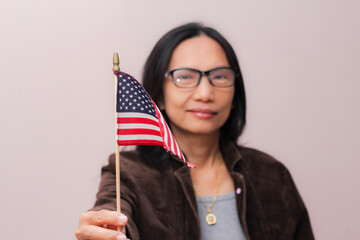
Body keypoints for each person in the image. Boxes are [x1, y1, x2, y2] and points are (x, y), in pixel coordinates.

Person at [75, 22, 314, 240]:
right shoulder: (128, 172)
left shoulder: (272, 175)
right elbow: (111, 209)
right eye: (185, 77)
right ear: (159, 94)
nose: (205, 94)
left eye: (219, 76)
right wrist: (102, 228)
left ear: (234, 94)